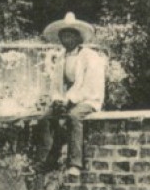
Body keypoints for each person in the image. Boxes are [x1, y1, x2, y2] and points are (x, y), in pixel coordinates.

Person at [37, 12, 108, 176]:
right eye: (63, 37)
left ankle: (75, 163)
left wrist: (70, 100)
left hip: (89, 98)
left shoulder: (90, 57)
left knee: (74, 116)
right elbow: (55, 85)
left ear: (78, 38)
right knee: (46, 118)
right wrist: (57, 100)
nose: (66, 40)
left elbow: (90, 86)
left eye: (70, 36)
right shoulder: (61, 57)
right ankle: (47, 161)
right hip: (68, 98)